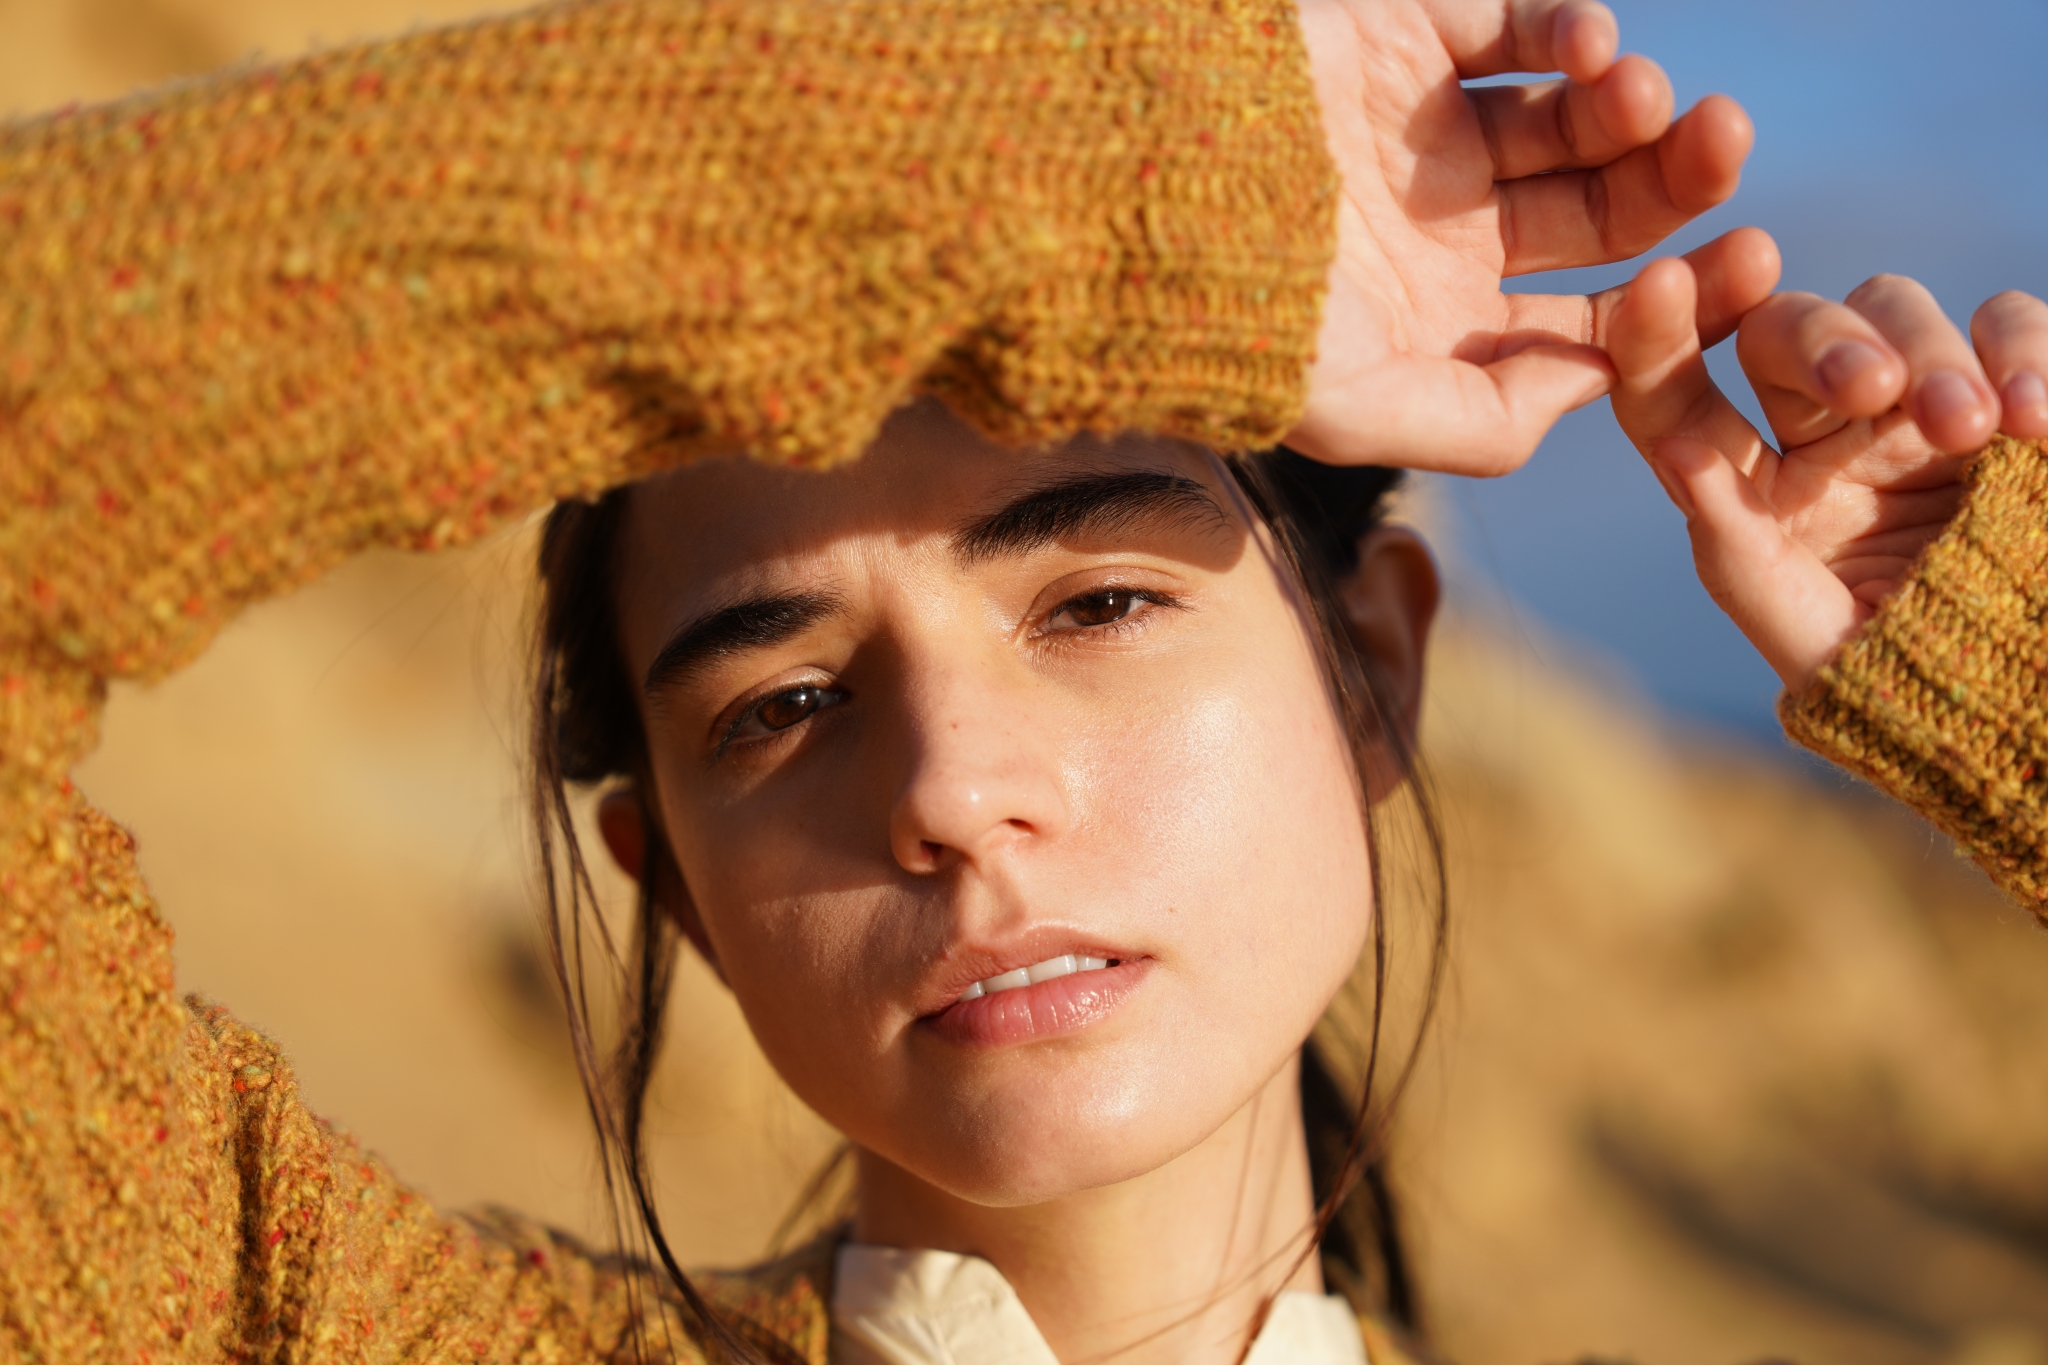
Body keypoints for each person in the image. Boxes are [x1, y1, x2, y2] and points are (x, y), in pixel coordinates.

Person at [0, 0, 2037, 1362]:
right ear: (675, 885)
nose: (955, 785)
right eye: (778, 702)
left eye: (1094, 602)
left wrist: (2016, 672)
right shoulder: (310, 1318)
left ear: (1375, 669)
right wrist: (1113, 174)